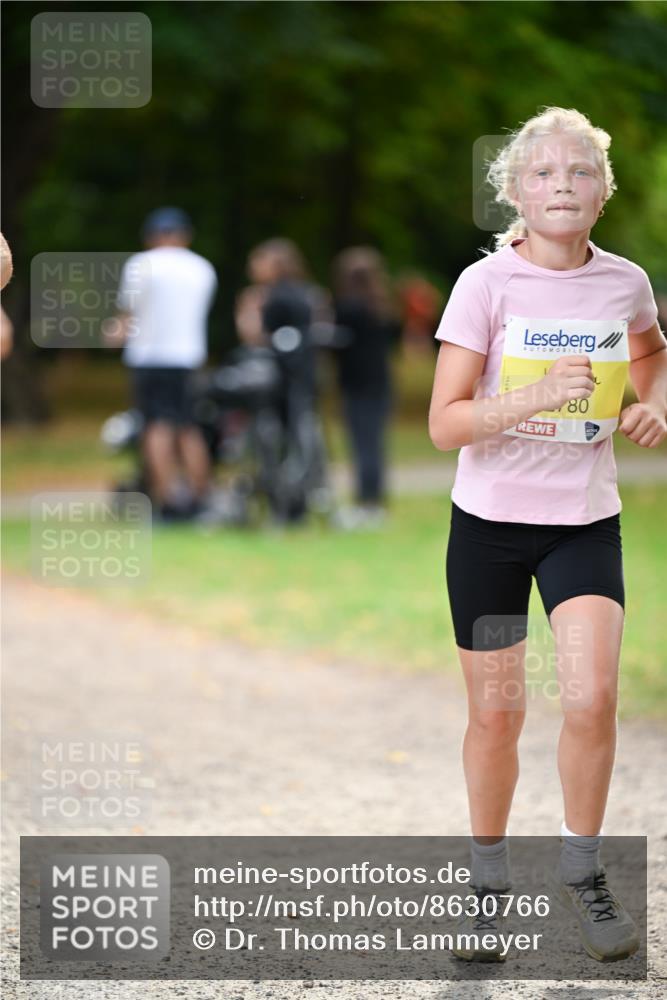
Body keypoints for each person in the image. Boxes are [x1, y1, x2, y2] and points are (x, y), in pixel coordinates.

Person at [428, 107, 667, 963]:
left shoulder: (625, 282)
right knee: (496, 715)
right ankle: (486, 889)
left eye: (579, 172)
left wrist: (652, 406)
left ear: (602, 194)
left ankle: (582, 871)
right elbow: (443, 424)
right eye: (541, 173)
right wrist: (533, 397)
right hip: (488, 528)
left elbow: (650, 354)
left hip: (581, 527)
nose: (561, 183)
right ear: (515, 194)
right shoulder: (484, 285)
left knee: (592, 697)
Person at [106, 208, 217, 520]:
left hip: (150, 356)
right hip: (188, 356)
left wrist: (112, 336)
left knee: (156, 428)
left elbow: (128, 315)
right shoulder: (202, 268)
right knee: (189, 427)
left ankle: (166, 500)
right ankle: (200, 499)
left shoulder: (142, 265)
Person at [331, 247, 401, 529]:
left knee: (361, 445)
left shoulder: (346, 309)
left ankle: (365, 504)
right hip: (381, 382)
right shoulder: (384, 308)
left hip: (356, 384)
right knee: (375, 444)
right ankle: (375, 502)